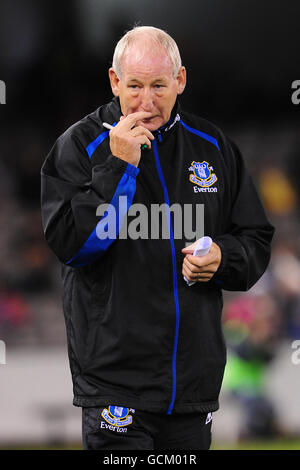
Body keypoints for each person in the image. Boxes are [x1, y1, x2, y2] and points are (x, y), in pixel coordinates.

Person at [40, 25, 274, 450]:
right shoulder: (79, 147)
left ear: (180, 80)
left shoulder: (214, 147)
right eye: (134, 86)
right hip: (115, 387)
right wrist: (119, 167)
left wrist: (224, 257)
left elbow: (256, 240)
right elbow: (71, 246)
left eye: (159, 86)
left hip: (191, 387)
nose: (146, 102)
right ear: (114, 81)